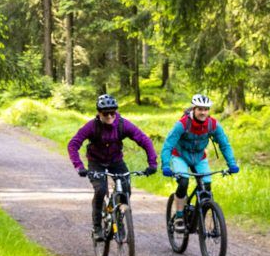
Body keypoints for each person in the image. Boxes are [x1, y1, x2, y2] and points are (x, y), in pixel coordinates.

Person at [68, 94, 157, 241]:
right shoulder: (91, 126)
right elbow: (73, 144)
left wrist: (152, 163)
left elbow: (144, 140)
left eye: (112, 112)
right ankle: (97, 227)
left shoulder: (123, 124)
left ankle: (119, 219)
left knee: (125, 190)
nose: (109, 116)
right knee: (101, 190)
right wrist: (79, 166)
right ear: (99, 113)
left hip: (116, 161)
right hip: (96, 162)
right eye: (105, 113)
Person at [161, 94, 239, 228]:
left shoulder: (212, 125)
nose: (203, 112)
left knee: (206, 187)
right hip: (180, 156)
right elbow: (168, 145)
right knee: (183, 182)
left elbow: (224, 144)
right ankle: (179, 216)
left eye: (206, 109)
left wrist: (232, 164)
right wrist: (166, 165)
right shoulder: (183, 124)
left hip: (199, 157)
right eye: (200, 109)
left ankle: (198, 217)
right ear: (194, 109)